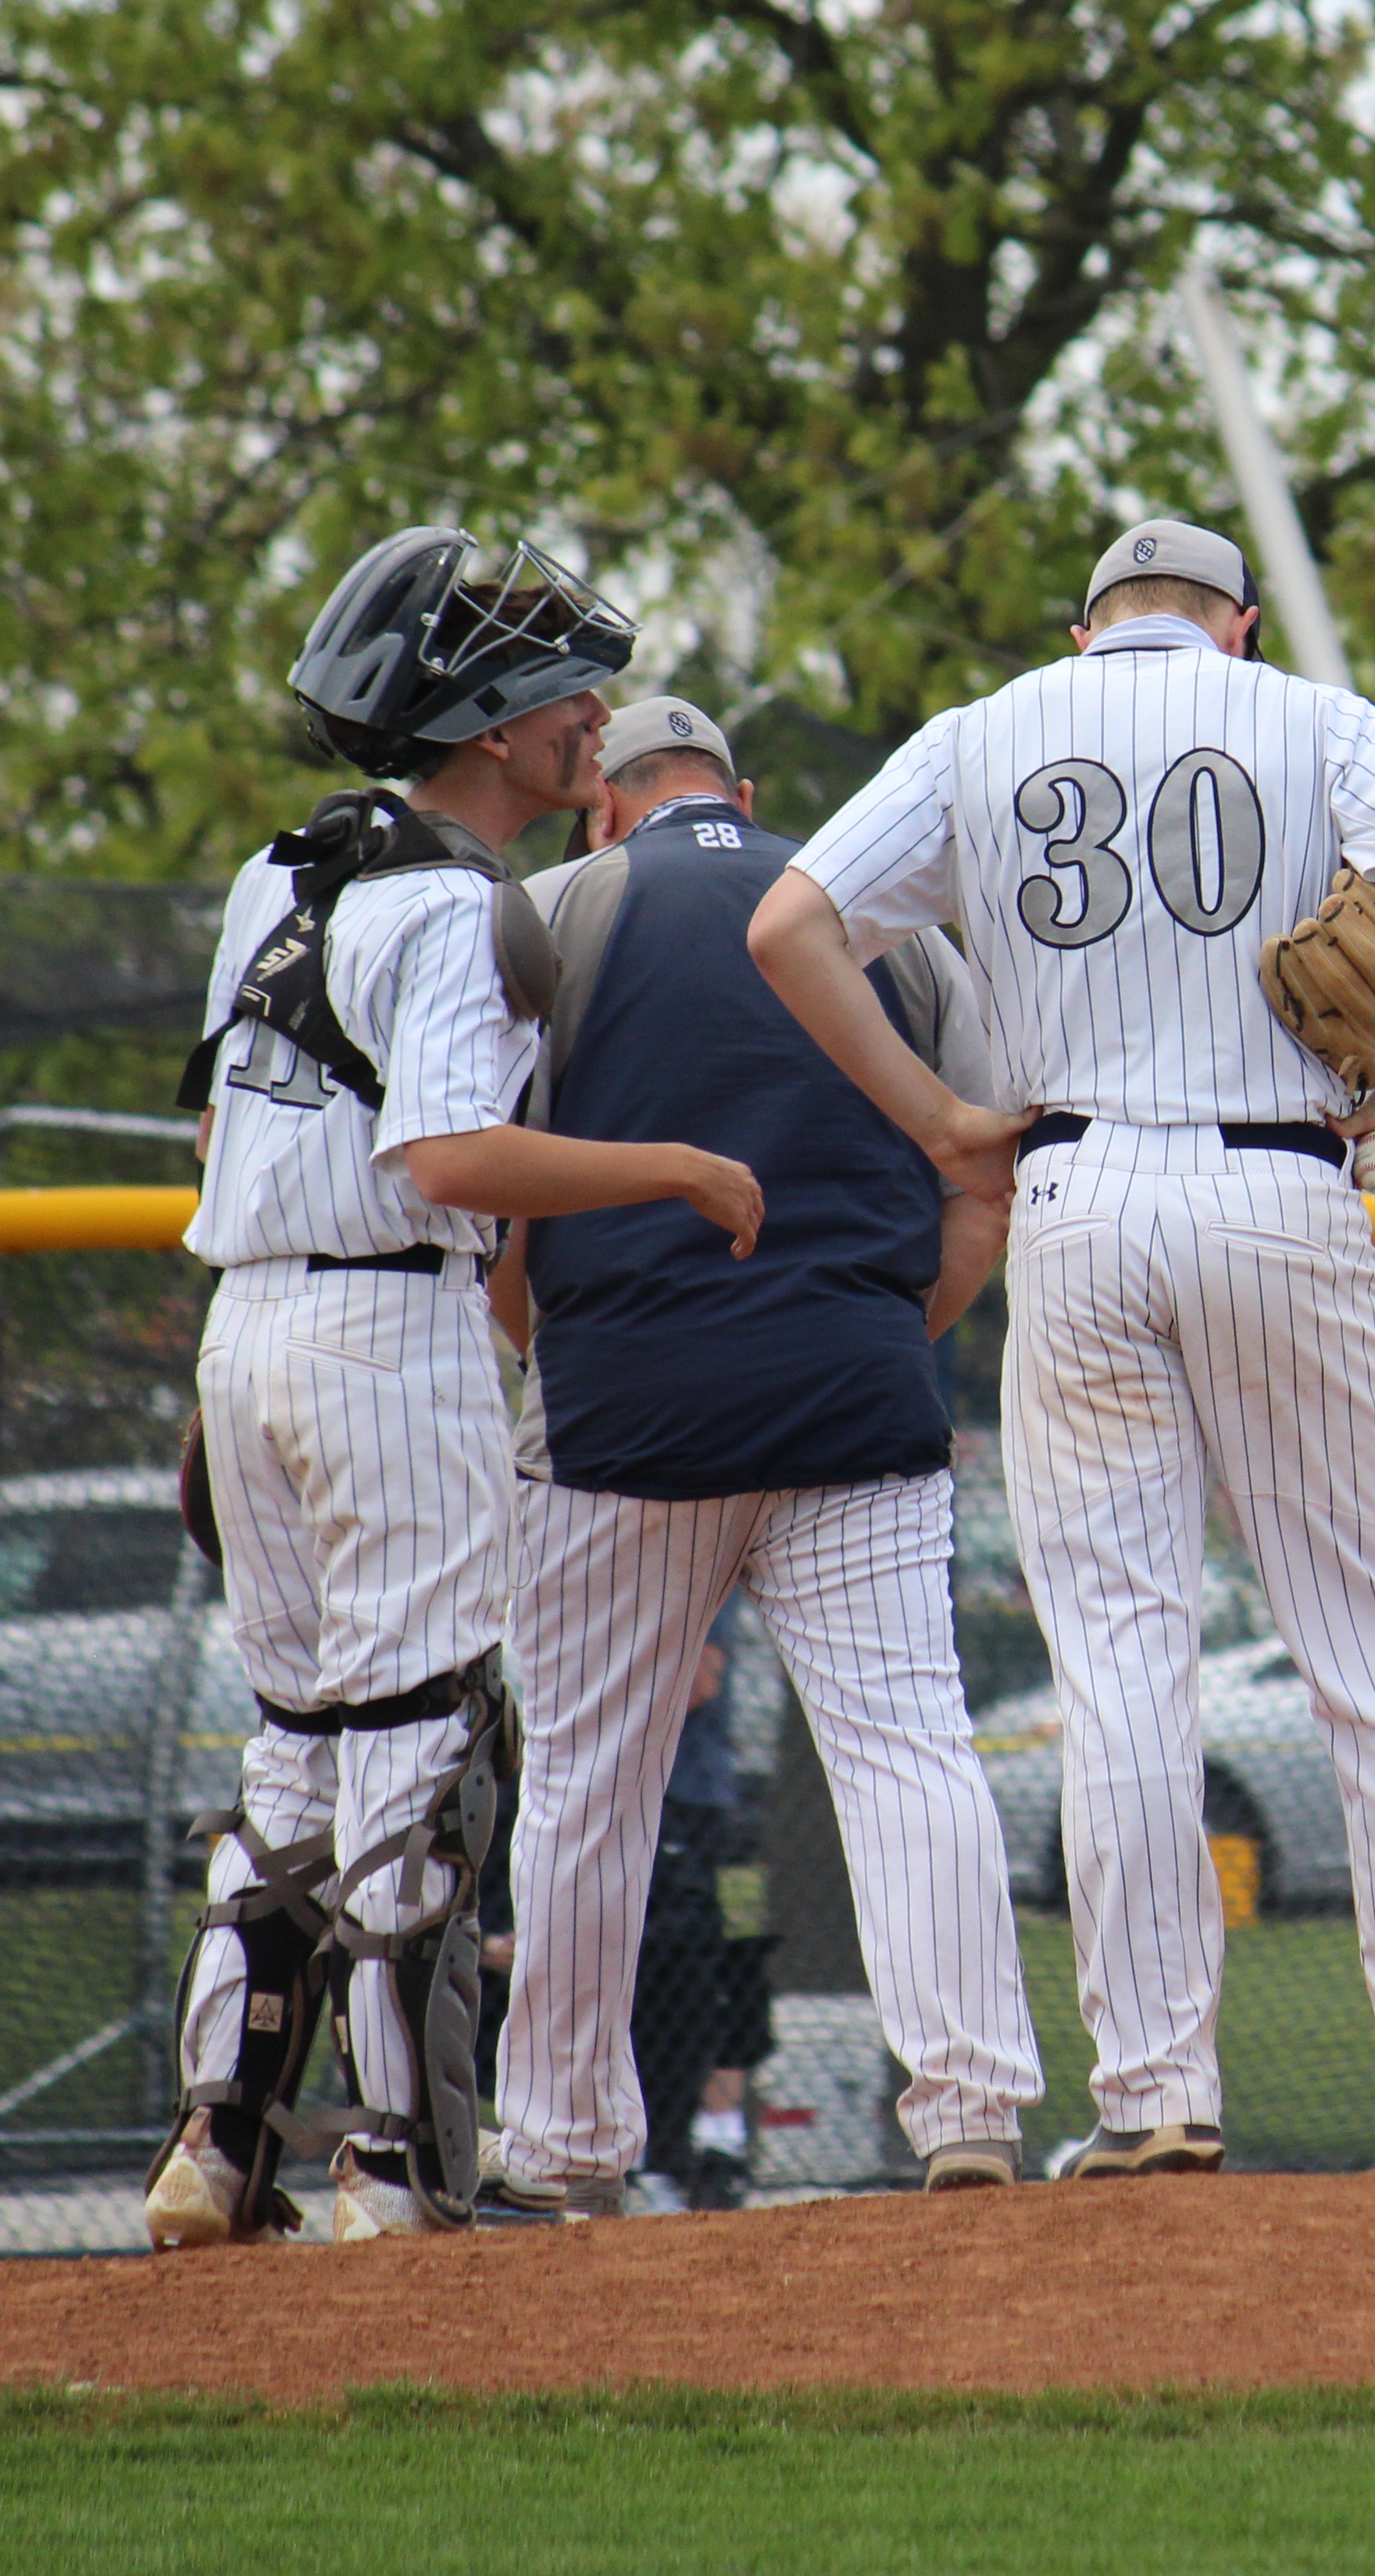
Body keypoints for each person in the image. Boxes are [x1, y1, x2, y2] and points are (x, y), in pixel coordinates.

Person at [750, 522, 1375, 2179]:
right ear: (1236, 621)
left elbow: (788, 928)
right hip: (1283, 1183)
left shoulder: (981, 733)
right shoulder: (1306, 713)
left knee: (1123, 1661)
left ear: (1085, 634)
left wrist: (936, 1122)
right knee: (1372, 1646)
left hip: (1069, 1193)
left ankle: (1151, 2102)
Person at [145, 531, 765, 2248]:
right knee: (426, 1742)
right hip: (386, 1334)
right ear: (488, 723)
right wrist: (678, 1171)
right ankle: (400, 2166)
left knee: (295, 1745)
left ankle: (221, 2145)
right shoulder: (458, 903)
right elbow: (444, 1156)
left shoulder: (276, 878)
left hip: (248, 1319)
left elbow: (221, 1135)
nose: (594, 718)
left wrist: (238, 1373)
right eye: (569, 690)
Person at [490, 694, 1043, 2212]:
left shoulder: (544, 911)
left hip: (620, 1407)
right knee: (908, 1748)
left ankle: (561, 2145)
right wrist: (886, 1331)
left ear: (604, 805)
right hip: (852, 1388)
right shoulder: (873, 909)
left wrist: (552, 1361)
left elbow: (492, 1193)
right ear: (743, 790)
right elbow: (982, 1182)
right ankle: (972, 2108)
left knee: (590, 1781)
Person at [626, 1602, 774, 2211]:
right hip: (643, 1792)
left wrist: (601, 1712)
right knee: (633, 1967)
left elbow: (700, 1679)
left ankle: (701, 2150)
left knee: (698, 1971)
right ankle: (641, 2149)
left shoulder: (696, 1555)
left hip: (682, 1798)